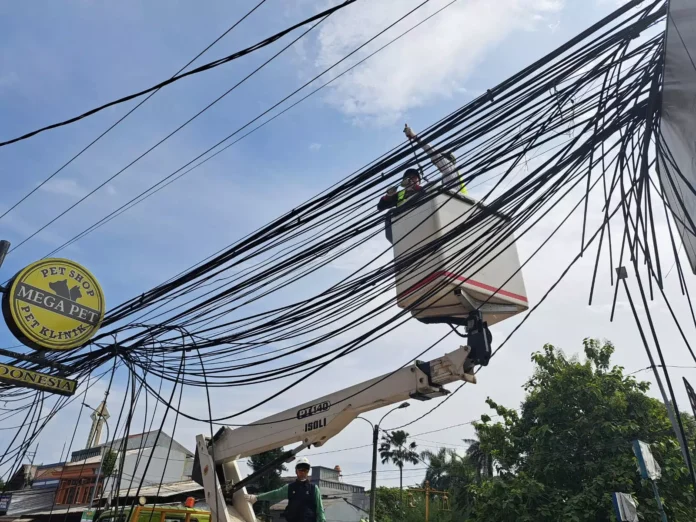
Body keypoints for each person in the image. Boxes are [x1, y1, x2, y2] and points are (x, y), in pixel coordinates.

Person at [245, 457, 325, 522]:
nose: (303, 472)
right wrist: (257, 497)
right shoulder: (290, 488)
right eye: (300, 469)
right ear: (296, 471)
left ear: (308, 471)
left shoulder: (314, 489)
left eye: (306, 469)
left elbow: (320, 510)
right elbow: (275, 494)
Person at [403, 124, 468, 195]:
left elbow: (433, 152)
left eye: (435, 162)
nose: (436, 166)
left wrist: (414, 136)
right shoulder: (447, 175)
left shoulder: (449, 168)